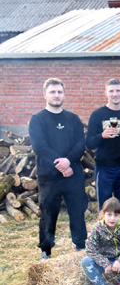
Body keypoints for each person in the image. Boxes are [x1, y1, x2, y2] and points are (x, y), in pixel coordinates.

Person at [29, 78, 87, 260]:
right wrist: (61, 165)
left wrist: (69, 161)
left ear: (64, 94)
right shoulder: (37, 119)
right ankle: (45, 251)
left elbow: (80, 144)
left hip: (73, 175)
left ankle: (80, 247)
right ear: (44, 94)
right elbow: (40, 147)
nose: (56, 95)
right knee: (48, 214)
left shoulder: (73, 118)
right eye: (52, 92)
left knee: (77, 212)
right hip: (49, 176)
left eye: (59, 92)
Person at [86, 79, 120, 221]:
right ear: (106, 93)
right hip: (104, 167)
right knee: (105, 206)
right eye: (111, 91)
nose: (115, 94)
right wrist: (102, 135)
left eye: (118, 90)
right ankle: (105, 238)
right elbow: (89, 142)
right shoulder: (97, 114)